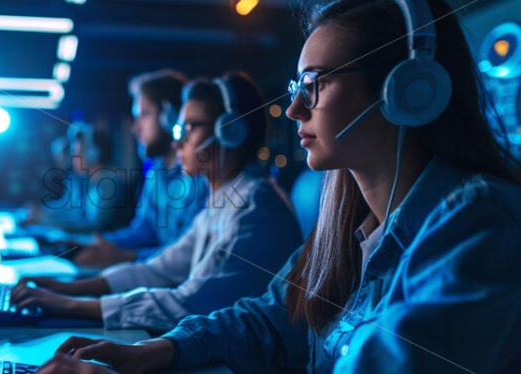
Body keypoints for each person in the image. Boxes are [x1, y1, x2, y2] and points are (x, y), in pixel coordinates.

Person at [35, 0, 521, 373]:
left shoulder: (480, 226)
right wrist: (154, 351)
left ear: (407, 87)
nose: (293, 111)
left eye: (314, 85)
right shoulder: (347, 226)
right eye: (296, 90)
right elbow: (268, 318)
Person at [9, 72, 303, 333]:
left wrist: (68, 303)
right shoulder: (222, 202)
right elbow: (159, 269)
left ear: (229, 131)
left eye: (187, 130)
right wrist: (65, 288)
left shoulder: (252, 209)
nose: (177, 143)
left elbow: (188, 302)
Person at [70, 69, 210, 266]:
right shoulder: (155, 173)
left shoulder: (198, 175)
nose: (135, 128)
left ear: (168, 117)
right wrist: (97, 244)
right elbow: (143, 232)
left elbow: (185, 255)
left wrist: (127, 256)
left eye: (144, 114)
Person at [29, 122, 128, 233]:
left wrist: (46, 223)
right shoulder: (90, 183)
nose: (73, 159)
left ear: (93, 154)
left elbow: (97, 226)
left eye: (78, 153)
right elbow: (79, 218)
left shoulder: (109, 182)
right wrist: (45, 221)